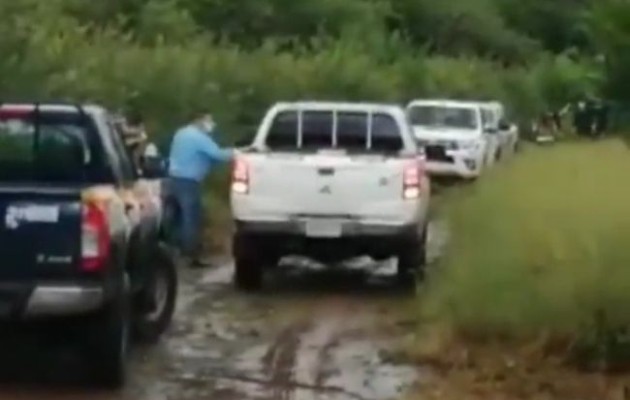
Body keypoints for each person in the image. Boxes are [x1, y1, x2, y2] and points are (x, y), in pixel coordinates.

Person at [166, 110, 234, 268]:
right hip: (189, 182)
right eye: (209, 120)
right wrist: (238, 152)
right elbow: (218, 155)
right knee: (191, 219)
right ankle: (191, 256)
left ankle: (174, 253)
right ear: (199, 120)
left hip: (174, 179)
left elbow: (204, 157)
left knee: (176, 219)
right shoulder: (198, 137)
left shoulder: (180, 133)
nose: (212, 124)